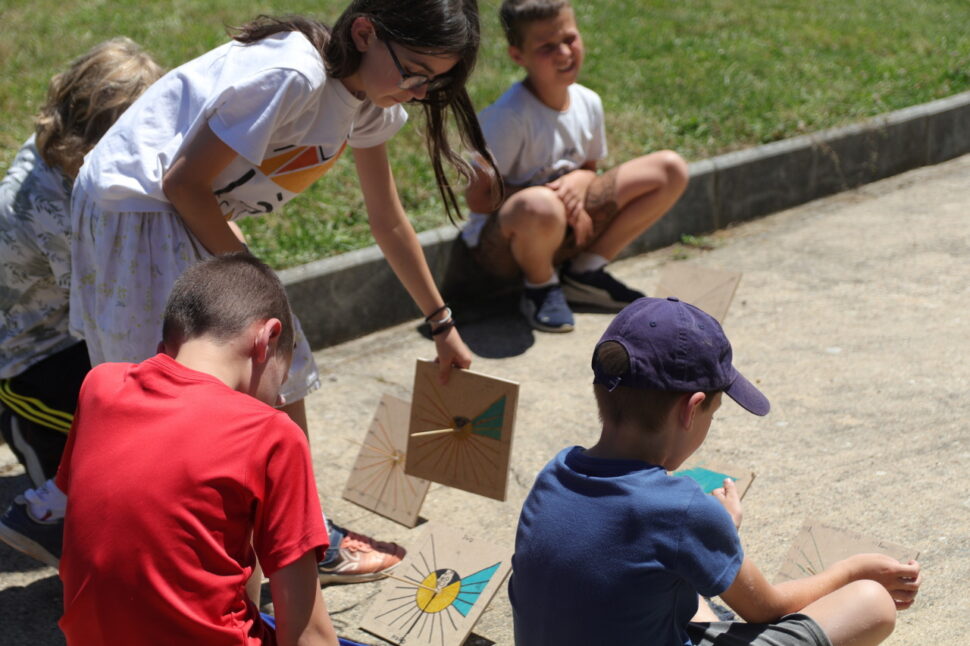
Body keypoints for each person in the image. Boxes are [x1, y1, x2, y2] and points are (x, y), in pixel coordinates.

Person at [509, 296, 923, 646]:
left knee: (692, 597)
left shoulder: (553, 474)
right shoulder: (682, 509)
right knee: (870, 603)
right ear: (691, 409)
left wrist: (711, 531)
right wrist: (850, 570)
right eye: (715, 412)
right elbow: (770, 608)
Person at [57, 253, 341, 645]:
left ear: (167, 343)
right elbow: (308, 632)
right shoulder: (271, 434)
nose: (278, 397)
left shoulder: (100, 388)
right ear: (267, 338)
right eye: (283, 376)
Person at [0, 37, 163, 565]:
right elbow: (102, 313)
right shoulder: (45, 205)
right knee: (112, 443)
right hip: (25, 357)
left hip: (63, 327)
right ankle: (45, 515)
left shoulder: (64, 160)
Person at [462, 0, 688, 332]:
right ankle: (541, 287)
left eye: (569, 38)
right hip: (507, 248)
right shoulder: (508, 116)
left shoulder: (588, 102)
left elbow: (589, 167)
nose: (564, 52)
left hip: (566, 227)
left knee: (670, 169)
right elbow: (478, 198)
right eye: (546, 46)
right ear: (517, 56)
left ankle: (585, 274)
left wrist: (581, 181)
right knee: (537, 205)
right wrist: (554, 198)